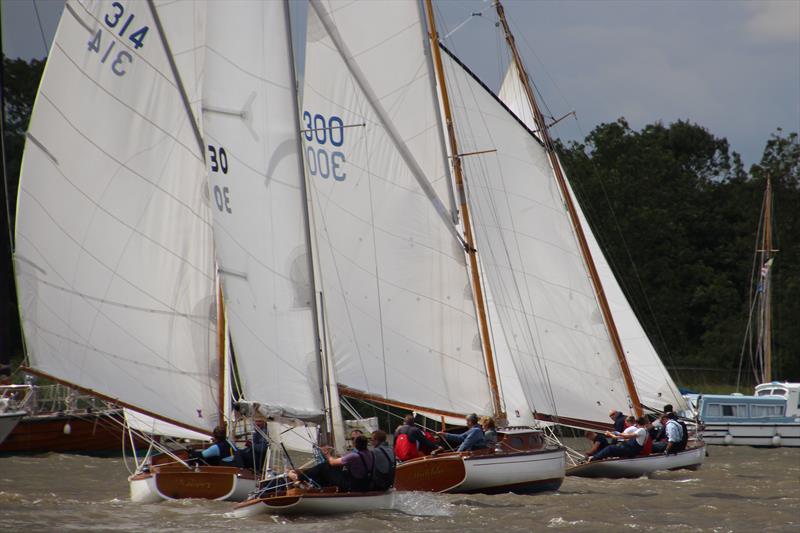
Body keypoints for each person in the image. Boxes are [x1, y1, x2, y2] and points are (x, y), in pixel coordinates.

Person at [290, 435, 374, 492]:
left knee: (324, 466)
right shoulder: (370, 453)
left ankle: (299, 477)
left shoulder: (354, 456)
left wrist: (327, 453)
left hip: (352, 485)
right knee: (335, 468)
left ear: (355, 444)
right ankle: (319, 485)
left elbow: (332, 462)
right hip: (364, 484)